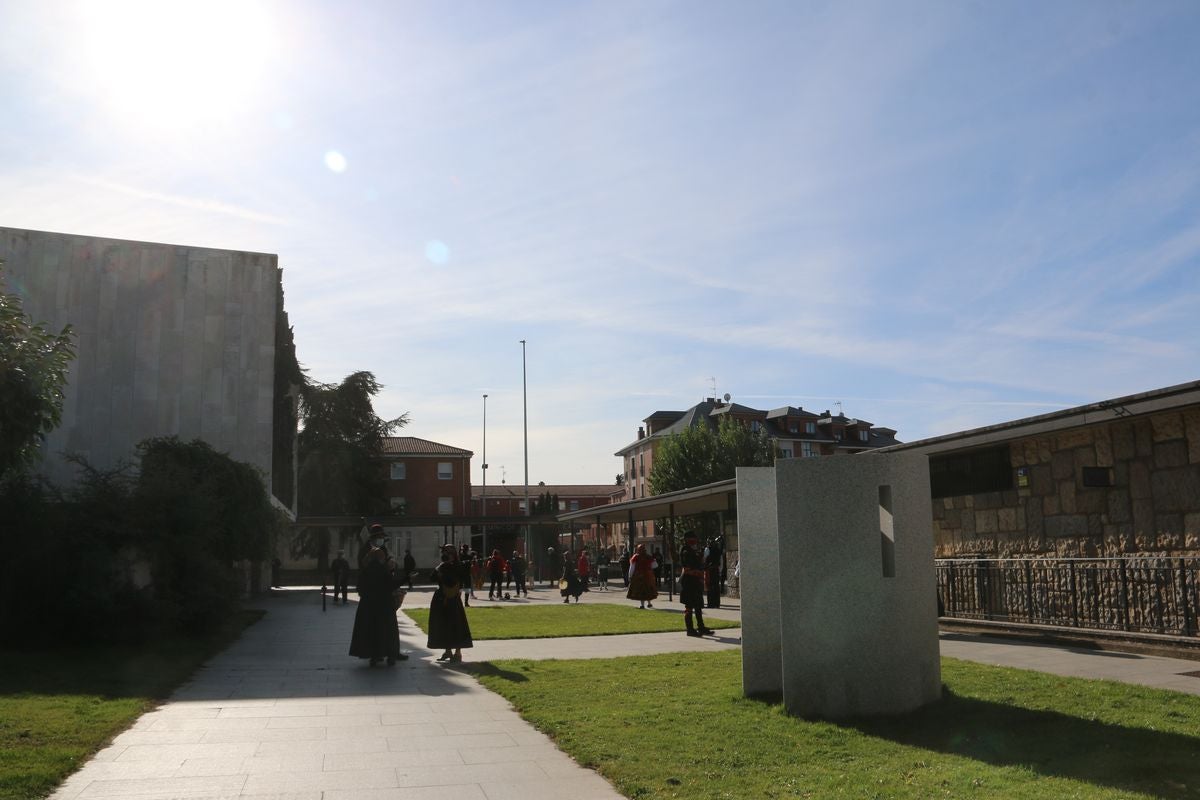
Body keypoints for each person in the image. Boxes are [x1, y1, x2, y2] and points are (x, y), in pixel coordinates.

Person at [348, 544, 405, 665]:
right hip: (384, 605)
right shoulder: (383, 569)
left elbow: (360, 588)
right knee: (388, 630)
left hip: (368, 606)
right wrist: (406, 579)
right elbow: (390, 585)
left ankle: (374, 656)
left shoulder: (366, 569)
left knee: (371, 630)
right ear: (381, 557)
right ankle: (390, 655)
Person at [428, 544, 473, 663]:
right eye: (445, 554)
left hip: (453, 599)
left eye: (448, 554)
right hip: (442, 598)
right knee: (443, 625)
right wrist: (440, 567)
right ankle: (447, 651)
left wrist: (442, 573)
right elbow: (432, 577)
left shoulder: (458, 566)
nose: (446, 556)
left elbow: (453, 581)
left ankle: (458, 653)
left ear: (453, 555)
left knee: (456, 625)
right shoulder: (442, 565)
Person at [679, 533, 714, 637]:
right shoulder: (686, 551)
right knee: (689, 606)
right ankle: (690, 629)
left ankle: (701, 627)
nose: (695, 541)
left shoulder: (692, 551)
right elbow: (687, 569)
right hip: (689, 582)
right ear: (687, 540)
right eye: (692, 539)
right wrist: (698, 573)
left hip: (695, 581)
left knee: (698, 605)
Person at [626, 544, 658, 609]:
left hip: (639, 576)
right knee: (648, 589)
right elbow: (655, 565)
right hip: (648, 576)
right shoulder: (648, 557)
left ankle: (642, 605)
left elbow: (632, 567)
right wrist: (649, 567)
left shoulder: (635, 557)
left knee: (641, 590)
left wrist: (630, 575)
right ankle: (649, 603)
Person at [704, 536, 724, 609]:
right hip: (715, 570)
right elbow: (720, 561)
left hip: (711, 570)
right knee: (715, 587)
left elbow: (705, 560)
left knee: (711, 587)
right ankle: (716, 603)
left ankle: (711, 603)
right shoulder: (718, 551)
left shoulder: (708, 550)